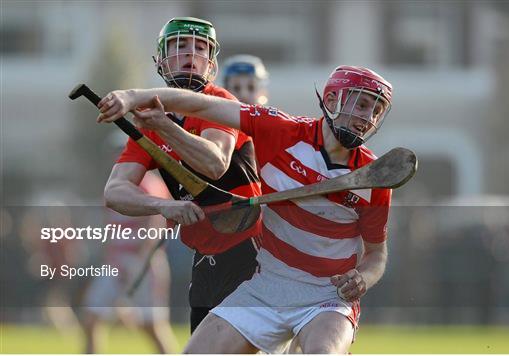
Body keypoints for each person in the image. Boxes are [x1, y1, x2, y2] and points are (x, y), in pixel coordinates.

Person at [97, 65, 394, 354]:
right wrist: (133, 96)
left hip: (329, 296)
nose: (366, 118)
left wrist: (363, 278)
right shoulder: (284, 132)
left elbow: (376, 255)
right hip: (267, 285)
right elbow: (203, 105)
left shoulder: (375, 177)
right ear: (331, 100)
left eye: (376, 111)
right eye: (362, 105)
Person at [101, 17, 262, 334]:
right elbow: (115, 191)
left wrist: (165, 128)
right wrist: (162, 206)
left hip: (253, 251)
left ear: (211, 62)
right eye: (180, 45)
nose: (191, 53)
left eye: (200, 47)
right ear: (161, 59)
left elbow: (214, 163)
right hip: (205, 258)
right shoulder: (149, 122)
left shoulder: (221, 104)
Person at [82, 171, 177, 354]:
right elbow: (109, 228)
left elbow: (154, 227)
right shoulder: (113, 186)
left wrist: (138, 263)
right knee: (91, 317)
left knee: (152, 326)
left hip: (144, 264)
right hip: (115, 263)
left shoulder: (150, 185)